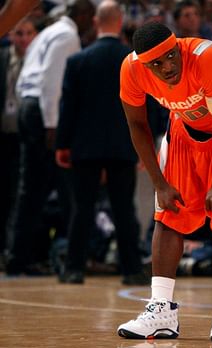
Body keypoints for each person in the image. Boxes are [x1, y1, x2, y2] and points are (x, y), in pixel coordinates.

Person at [116, 22, 212, 342]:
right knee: (168, 211)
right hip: (185, 127)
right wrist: (159, 183)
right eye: (157, 64)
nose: (168, 67)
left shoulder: (207, 57)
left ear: (178, 46)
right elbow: (137, 126)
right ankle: (162, 308)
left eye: (171, 56)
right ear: (144, 64)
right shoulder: (130, 70)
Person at [55, 0, 146, 285]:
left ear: (96, 22)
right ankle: (131, 270)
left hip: (86, 146)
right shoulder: (134, 60)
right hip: (124, 144)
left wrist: (62, 144)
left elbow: (67, 106)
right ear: (120, 22)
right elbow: (148, 106)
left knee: (82, 208)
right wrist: (147, 147)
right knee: (123, 209)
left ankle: (73, 269)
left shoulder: (78, 61)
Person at [6, 0, 95, 276]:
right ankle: (21, 258)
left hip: (29, 107)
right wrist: (52, 125)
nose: (91, 23)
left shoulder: (48, 32)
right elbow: (51, 82)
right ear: (81, 14)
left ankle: (31, 256)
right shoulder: (66, 36)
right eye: (90, 17)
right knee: (34, 191)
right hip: (43, 114)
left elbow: (26, 80)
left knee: (35, 190)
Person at [0, 17, 37, 269]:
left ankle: (15, 251)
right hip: (2, 136)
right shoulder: (2, 58)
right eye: (18, 33)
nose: (23, 38)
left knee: (19, 197)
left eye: (28, 33)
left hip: (24, 138)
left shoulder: (37, 59)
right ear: (11, 35)